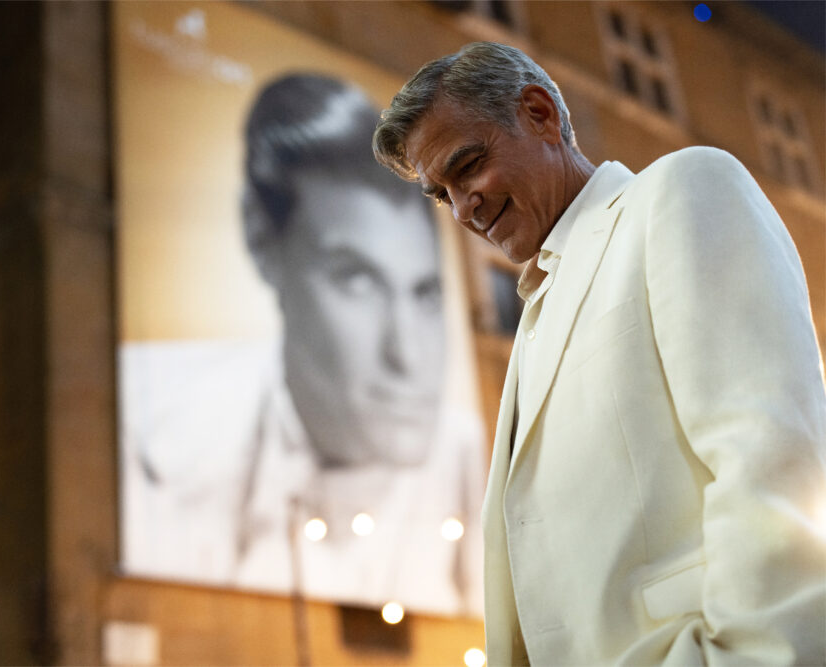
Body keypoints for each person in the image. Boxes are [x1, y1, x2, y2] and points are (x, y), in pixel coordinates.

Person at [373, 42, 826, 664]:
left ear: (539, 114)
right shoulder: (533, 309)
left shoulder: (682, 189)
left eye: (468, 166)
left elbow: (773, 455)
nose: (462, 208)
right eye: (441, 194)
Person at [120, 73, 485, 616]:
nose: (407, 357)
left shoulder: (473, 463)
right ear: (263, 241)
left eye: (425, 294)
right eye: (356, 281)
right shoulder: (147, 416)